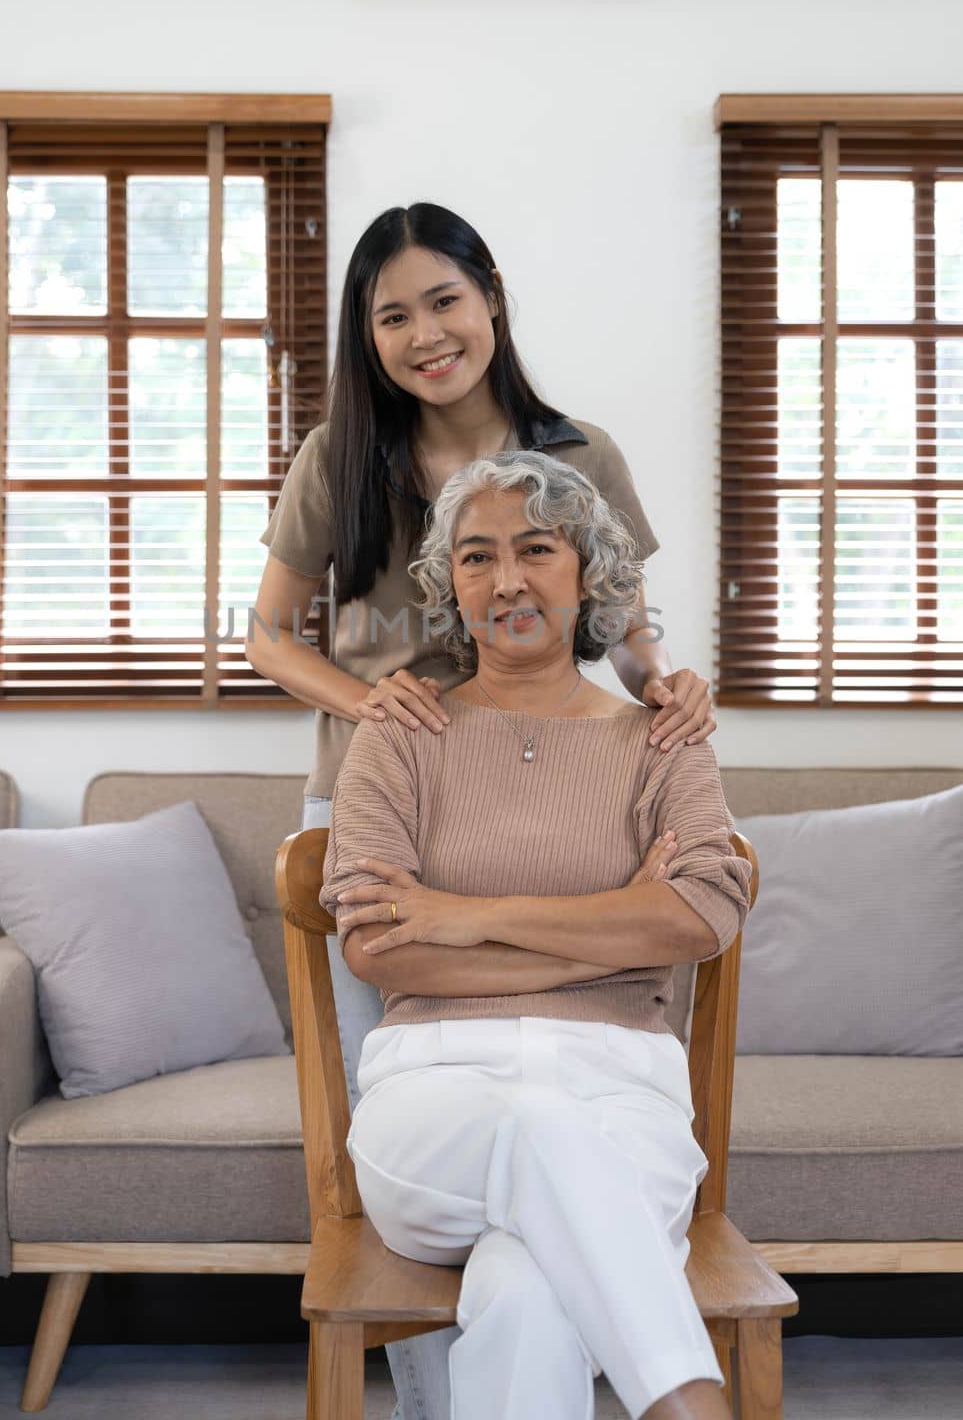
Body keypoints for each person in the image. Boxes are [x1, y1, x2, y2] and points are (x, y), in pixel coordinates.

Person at [247, 201, 720, 1420]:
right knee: (414, 1078)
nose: (423, 334)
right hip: (386, 778)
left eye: (441, 301)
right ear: (369, 338)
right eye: (390, 316)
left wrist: (657, 692)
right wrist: (373, 704)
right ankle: (442, 1394)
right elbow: (262, 635)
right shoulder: (338, 459)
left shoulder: (580, 451)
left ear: (490, 298)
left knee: (518, 1159)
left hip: (546, 775)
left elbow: (619, 619)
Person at [319, 450, 751, 1420]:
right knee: (543, 1130)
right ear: (450, 588)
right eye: (476, 557)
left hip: (620, 1097)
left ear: (587, 571)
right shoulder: (396, 737)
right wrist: (613, 933)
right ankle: (687, 1403)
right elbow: (376, 947)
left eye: (534, 548)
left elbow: (700, 915)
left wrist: (466, 916)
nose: (506, 578)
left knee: (522, 1288)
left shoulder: (661, 738)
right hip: (430, 1106)